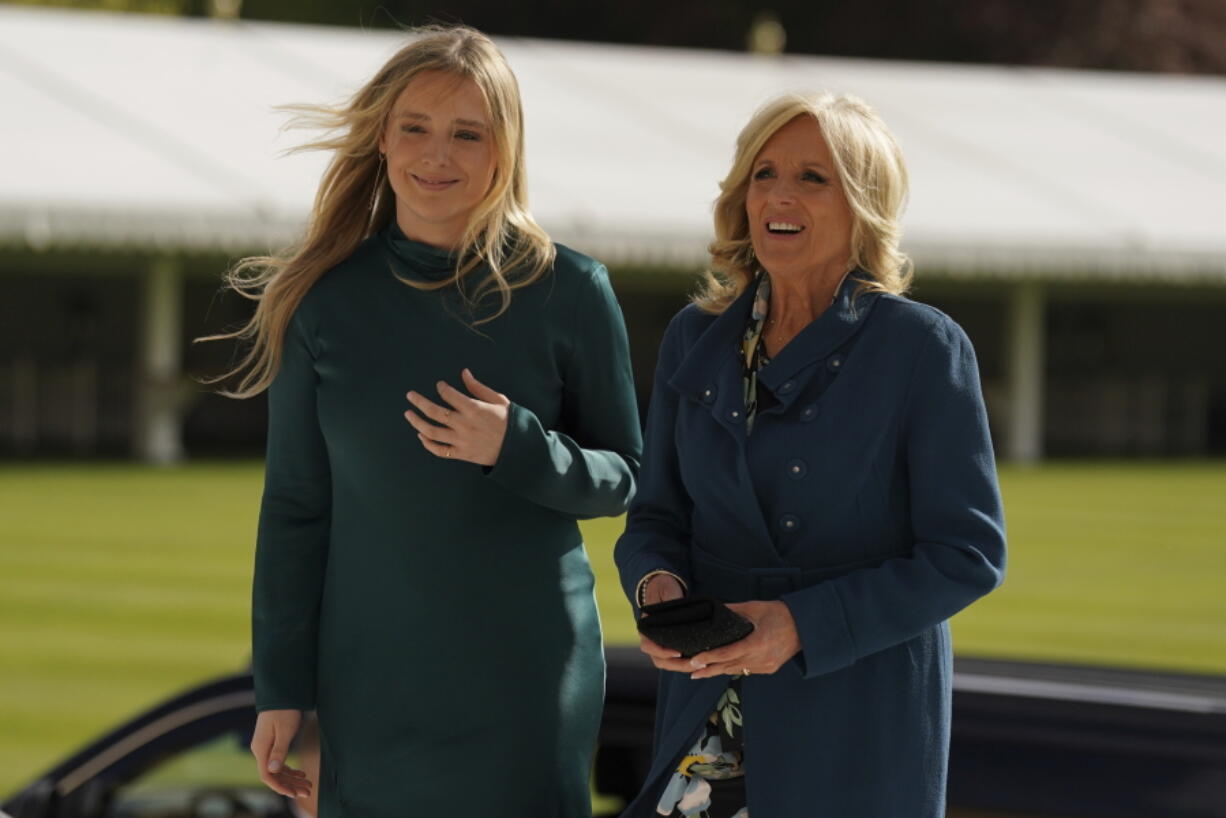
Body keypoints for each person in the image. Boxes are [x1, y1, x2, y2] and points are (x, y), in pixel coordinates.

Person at [209, 26, 642, 817]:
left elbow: (628, 479)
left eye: (466, 134)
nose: (437, 155)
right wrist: (281, 687)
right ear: (383, 137)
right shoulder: (323, 302)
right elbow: (296, 510)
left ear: (503, 150)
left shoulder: (572, 291)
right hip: (369, 679)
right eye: (416, 128)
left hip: (526, 676)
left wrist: (519, 448)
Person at [614, 92, 1007, 818]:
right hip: (707, 706)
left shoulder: (923, 347)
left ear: (863, 205)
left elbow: (968, 554)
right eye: (764, 174)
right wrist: (658, 587)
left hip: (856, 717)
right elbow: (655, 517)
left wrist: (798, 626)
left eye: (813, 178)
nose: (780, 195)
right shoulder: (692, 338)